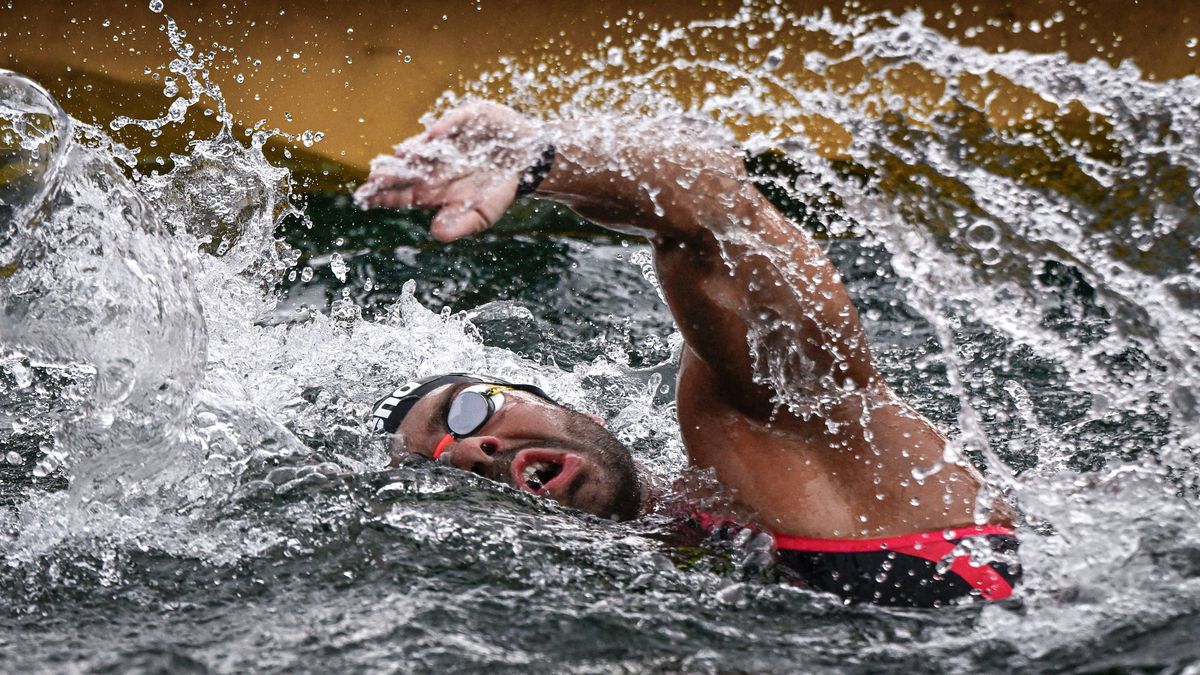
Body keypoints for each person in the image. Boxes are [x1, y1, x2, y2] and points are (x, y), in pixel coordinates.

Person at [354, 101, 1019, 607]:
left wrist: (539, 160)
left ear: (571, 408)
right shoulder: (633, 600)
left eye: (468, 412)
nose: (472, 452)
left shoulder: (766, 434)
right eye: (442, 474)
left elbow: (718, 219)